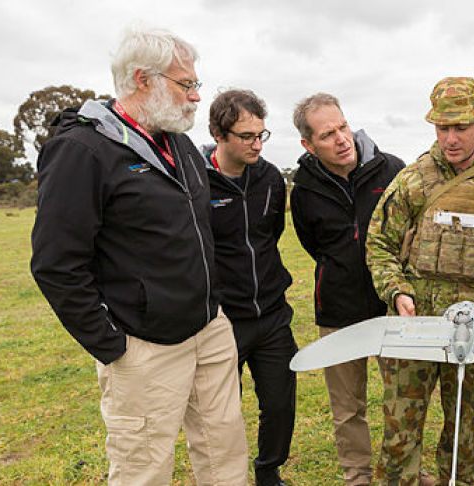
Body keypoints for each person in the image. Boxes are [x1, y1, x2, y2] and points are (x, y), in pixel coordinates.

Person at [30, 27, 248, 485]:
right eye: (185, 84)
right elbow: (56, 264)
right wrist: (113, 345)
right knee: (142, 470)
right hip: (143, 346)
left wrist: (217, 310)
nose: (194, 97)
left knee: (225, 455)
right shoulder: (81, 151)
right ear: (141, 79)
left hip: (208, 331)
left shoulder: (180, 144)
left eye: (195, 84)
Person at [366, 77, 474, 486]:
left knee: (463, 433)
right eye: (443, 128)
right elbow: (379, 245)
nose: (451, 138)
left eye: (460, 127)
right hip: (414, 329)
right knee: (399, 435)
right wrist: (397, 290)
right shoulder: (412, 181)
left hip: (473, 333)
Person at [290, 93, 405, 486]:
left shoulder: (391, 169)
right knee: (347, 408)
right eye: (327, 134)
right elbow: (312, 242)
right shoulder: (303, 186)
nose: (341, 139)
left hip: (392, 309)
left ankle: (402, 468)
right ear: (308, 144)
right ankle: (357, 476)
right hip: (338, 311)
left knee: (402, 401)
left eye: (343, 127)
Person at [204, 89, 296, 486]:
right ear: (219, 133)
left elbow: (271, 234)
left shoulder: (271, 178)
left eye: (261, 134)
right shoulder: (197, 182)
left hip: (272, 314)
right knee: (222, 413)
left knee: (279, 404)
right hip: (224, 320)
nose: (257, 144)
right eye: (246, 136)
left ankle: (268, 470)